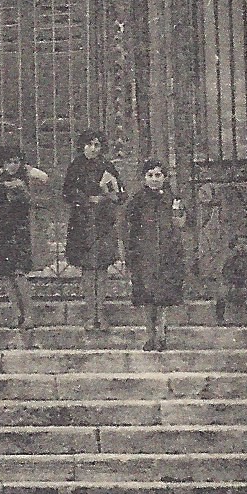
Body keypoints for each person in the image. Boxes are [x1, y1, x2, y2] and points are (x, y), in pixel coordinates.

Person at [62, 130, 124, 330]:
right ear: (82, 146)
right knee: (88, 270)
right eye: (90, 144)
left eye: (97, 145)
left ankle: (101, 311)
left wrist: (107, 196)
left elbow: (120, 193)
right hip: (82, 223)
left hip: (103, 223)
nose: (94, 149)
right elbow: (67, 192)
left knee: (102, 269)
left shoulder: (107, 166)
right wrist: (86, 199)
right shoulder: (75, 167)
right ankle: (90, 313)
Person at [125, 158, 187, 352]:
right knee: (147, 297)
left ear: (165, 177)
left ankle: (161, 334)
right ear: (144, 178)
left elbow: (181, 223)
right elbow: (129, 227)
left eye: (158, 175)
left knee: (163, 298)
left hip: (167, 254)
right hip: (144, 255)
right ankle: (149, 334)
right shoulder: (137, 200)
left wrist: (178, 214)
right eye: (150, 175)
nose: (154, 179)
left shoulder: (172, 199)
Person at [0, 144, 49, 345]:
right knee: (6, 274)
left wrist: (26, 172)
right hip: (3, 230)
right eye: (8, 162)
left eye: (16, 162)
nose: (12, 166)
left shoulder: (24, 179)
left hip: (20, 231)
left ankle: (29, 314)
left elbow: (44, 178)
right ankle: (16, 313)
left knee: (19, 273)